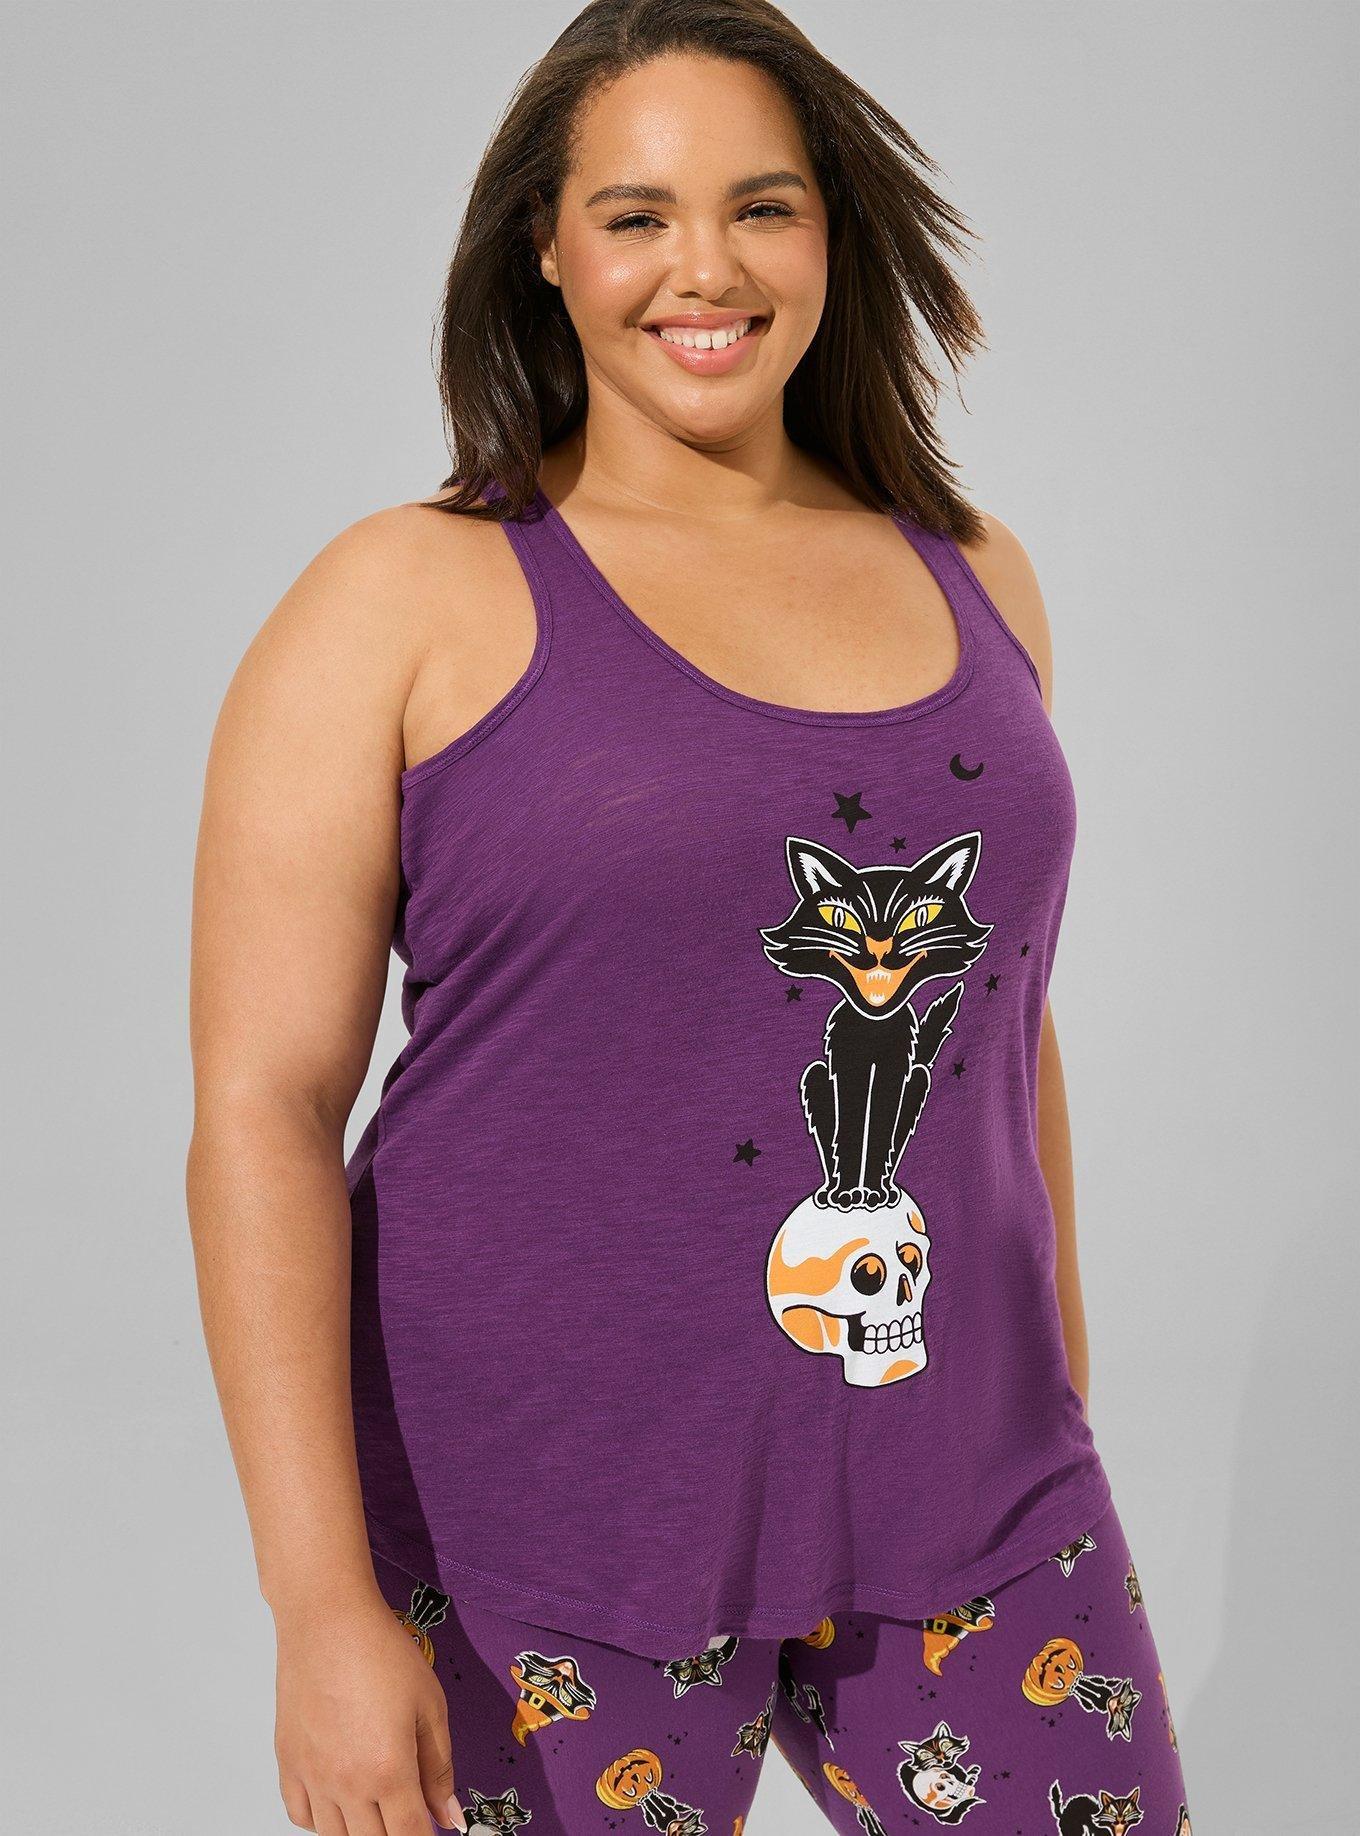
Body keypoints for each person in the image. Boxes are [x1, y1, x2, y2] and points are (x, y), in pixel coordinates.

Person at [186, 3, 1195, 1832]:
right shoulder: (399, 599)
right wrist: (318, 1607)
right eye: (637, 215)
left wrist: (1056, 1387)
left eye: (763, 206)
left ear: (833, 233)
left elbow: (1000, 1011)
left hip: (968, 1481)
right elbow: (264, 1108)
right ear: (544, 249)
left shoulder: (975, 575)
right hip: (532, 1526)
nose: (705, 269)